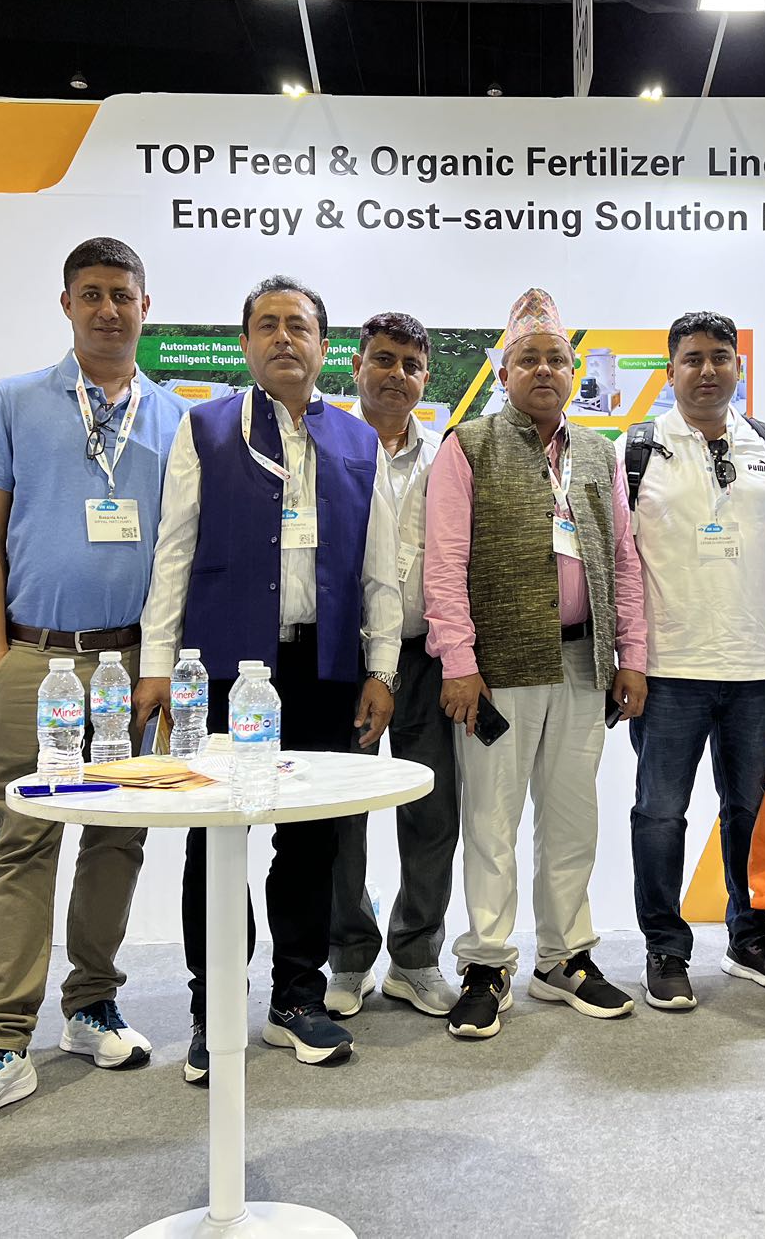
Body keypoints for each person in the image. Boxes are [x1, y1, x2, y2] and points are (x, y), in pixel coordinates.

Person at [0, 238, 190, 1134]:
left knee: (118, 840)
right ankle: (0, 1040)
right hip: (36, 660)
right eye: (92, 294)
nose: (108, 310)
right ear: (67, 304)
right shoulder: (11, 403)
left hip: (132, 667)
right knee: (25, 840)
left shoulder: (176, 418)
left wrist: (159, 663)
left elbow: (180, 552)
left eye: (123, 295)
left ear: (146, 307)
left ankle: (92, 1006)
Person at [137, 275, 402, 1075]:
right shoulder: (206, 429)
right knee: (216, 838)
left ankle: (296, 1000)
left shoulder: (358, 441)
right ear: (246, 343)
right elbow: (174, 551)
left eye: (299, 325)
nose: (284, 337)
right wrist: (157, 667)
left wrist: (382, 668)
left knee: (312, 841)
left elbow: (380, 570)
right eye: (268, 325)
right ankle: (213, 1008)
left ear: (325, 347)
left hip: (323, 667)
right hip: (225, 668)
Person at [424, 286, 647, 1040]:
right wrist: (459, 662)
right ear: (503, 371)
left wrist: (632, 655)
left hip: (585, 666)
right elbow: (445, 565)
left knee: (572, 818)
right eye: (529, 359)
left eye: (556, 358)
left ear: (573, 371)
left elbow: (623, 562)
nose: (544, 370)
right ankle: (486, 964)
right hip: (499, 672)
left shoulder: (599, 453)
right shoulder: (469, 446)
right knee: (491, 821)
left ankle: (565, 958)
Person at [624, 310, 765, 1011]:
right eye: (692, 359)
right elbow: (620, 563)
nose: (707, 370)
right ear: (670, 370)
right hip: (668, 668)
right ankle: (665, 946)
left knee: (750, 811)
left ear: (738, 366)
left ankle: (750, 937)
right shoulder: (639, 449)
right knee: (660, 813)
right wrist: (626, 658)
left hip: (756, 670)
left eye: (720, 357)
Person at [325, 312, 460, 1020]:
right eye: (383, 359)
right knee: (341, 814)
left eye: (411, 364)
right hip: (344, 659)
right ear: (356, 365)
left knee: (433, 811)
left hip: (429, 656)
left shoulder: (447, 457)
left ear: (425, 377)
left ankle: (414, 957)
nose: (396, 375)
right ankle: (349, 957)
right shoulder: (325, 445)